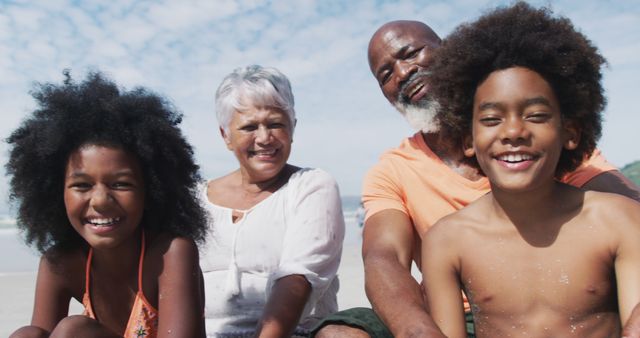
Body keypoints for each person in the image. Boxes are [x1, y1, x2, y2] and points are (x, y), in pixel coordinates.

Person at [313, 15, 640, 338]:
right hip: (455, 317)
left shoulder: (545, 144)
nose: (403, 72)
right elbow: (384, 258)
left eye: (412, 54)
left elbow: (630, 218)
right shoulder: (396, 173)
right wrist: (418, 332)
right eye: (386, 73)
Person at [422, 3, 640, 337]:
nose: (513, 132)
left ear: (571, 132)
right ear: (468, 140)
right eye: (492, 119)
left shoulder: (619, 221)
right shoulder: (447, 241)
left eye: (536, 115)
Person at [7, 71, 208, 338]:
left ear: (151, 190)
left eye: (121, 184)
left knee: (73, 330)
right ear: (57, 193)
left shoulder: (170, 253)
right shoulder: (60, 263)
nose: (100, 201)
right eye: (82, 185)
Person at [199, 65, 345, 337]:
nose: (265, 138)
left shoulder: (312, 186)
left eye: (276, 124)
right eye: (249, 127)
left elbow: (296, 279)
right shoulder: (196, 199)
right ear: (225, 136)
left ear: (293, 128)